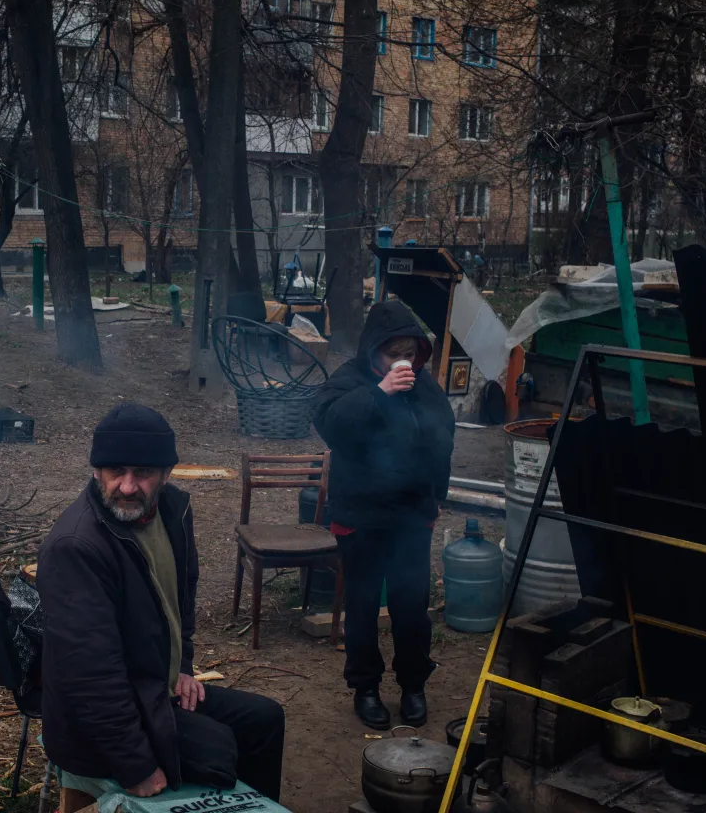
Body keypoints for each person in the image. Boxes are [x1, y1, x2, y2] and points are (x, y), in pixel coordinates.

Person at [38, 404, 285, 801]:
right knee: (221, 750)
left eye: (144, 473)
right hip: (101, 728)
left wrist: (183, 668)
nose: (128, 486)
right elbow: (88, 675)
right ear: (97, 471)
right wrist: (135, 765)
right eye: (116, 471)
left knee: (265, 720)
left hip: (153, 691)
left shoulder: (171, 510)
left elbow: (180, 604)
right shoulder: (77, 547)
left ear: (167, 475)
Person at [312, 301, 455, 730]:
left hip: (411, 515)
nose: (403, 362)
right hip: (361, 515)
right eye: (394, 353)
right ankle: (366, 688)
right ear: (374, 350)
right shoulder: (348, 380)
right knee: (362, 605)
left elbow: (444, 436)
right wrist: (380, 393)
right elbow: (331, 426)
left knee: (412, 606)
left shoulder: (425, 386)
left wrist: (435, 496)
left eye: (409, 353)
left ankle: (413, 686)